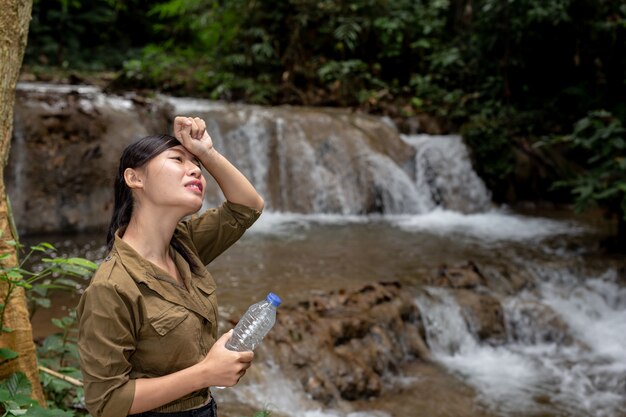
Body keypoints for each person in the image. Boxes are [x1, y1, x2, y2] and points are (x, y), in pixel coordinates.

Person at [77, 116, 264, 417]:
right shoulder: (111, 286)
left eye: (197, 166)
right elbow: (106, 402)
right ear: (135, 179)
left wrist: (205, 152)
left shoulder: (184, 244)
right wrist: (206, 373)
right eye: (177, 159)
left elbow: (248, 207)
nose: (195, 170)